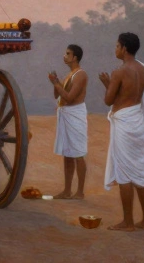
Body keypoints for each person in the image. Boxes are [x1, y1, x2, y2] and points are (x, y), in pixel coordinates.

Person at [100, 32, 144, 232]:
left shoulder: (119, 72)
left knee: (124, 173)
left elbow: (109, 100)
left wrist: (107, 84)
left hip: (124, 124)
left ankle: (128, 222)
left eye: (117, 46)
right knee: (139, 171)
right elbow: (128, 95)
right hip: (137, 122)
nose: (115, 49)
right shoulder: (142, 69)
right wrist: (110, 85)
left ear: (124, 48)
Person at [48, 44, 88, 199]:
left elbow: (70, 98)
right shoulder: (69, 74)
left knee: (78, 153)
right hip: (66, 115)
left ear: (75, 57)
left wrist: (56, 84)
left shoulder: (80, 75)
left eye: (68, 54)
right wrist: (56, 81)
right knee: (68, 154)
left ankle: (80, 192)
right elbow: (57, 95)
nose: (64, 56)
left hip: (75, 115)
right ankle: (67, 190)